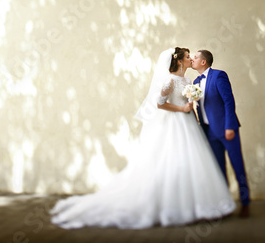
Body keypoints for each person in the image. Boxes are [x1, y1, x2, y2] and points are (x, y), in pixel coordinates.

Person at [50, 47, 236, 229]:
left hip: (188, 125)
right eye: (188, 56)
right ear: (179, 61)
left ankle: (195, 205)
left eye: (191, 56)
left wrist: (191, 107)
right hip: (174, 124)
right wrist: (182, 109)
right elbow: (160, 104)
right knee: (173, 160)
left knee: (191, 162)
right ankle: (171, 207)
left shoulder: (188, 79)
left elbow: (190, 101)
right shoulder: (169, 81)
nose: (190, 58)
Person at [191, 50, 250, 218]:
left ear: (203, 62)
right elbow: (199, 107)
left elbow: (228, 101)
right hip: (209, 132)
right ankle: (226, 205)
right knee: (218, 169)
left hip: (226, 130)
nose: (192, 60)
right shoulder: (195, 82)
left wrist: (230, 126)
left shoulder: (219, 76)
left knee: (237, 165)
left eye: (195, 57)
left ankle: (245, 203)